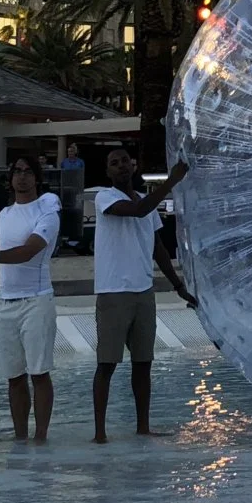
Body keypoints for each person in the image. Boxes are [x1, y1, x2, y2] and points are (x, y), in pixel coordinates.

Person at [91, 149, 195, 443]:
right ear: (108, 171)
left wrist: (178, 285)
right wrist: (171, 182)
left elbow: (158, 248)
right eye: (114, 163)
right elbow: (137, 211)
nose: (121, 166)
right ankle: (100, 432)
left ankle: (143, 426)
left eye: (125, 160)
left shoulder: (144, 200)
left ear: (133, 164)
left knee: (143, 363)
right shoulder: (105, 198)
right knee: (107, 363)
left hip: (143, 291)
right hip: (114, 291)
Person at [0, 156, 62, 440]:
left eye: (28, 172)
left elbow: (30, 250)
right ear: (10, 177)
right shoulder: (5, 215)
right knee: (13, 377)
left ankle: (41, 436)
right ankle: (20, 438)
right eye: (17, 171)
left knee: (39, 373)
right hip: (6, 302)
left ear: (36, 177)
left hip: (36, 300)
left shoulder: (47, 209)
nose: (22, 176)